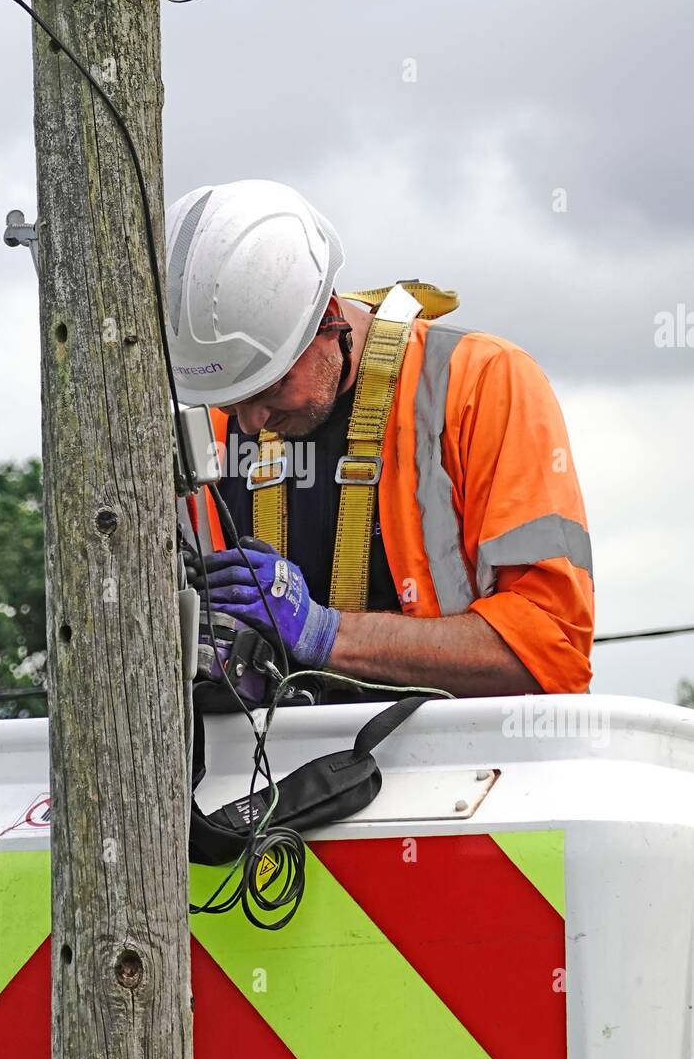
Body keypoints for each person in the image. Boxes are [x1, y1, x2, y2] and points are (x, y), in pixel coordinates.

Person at [167, 179, 593, 697]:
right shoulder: (203, 435)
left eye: (273, 386)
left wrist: (325, 634)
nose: (250, 423)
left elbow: (549, 651)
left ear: (330, 319)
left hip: (461, 765)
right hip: (261, 769)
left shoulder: (480, 383)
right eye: (231, 398)